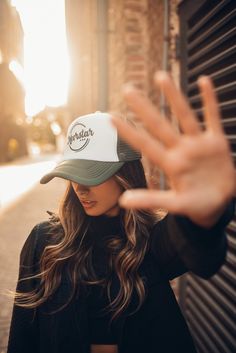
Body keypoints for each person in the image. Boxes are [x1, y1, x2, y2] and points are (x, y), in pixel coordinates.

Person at [7, 72, 235, 353]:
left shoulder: (150, 242)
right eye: (73, 174)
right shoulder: (45, 242)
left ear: (125, 174)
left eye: (92, 174)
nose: (79, 187)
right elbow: (23, 337)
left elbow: (203, 256)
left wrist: (204, 218)